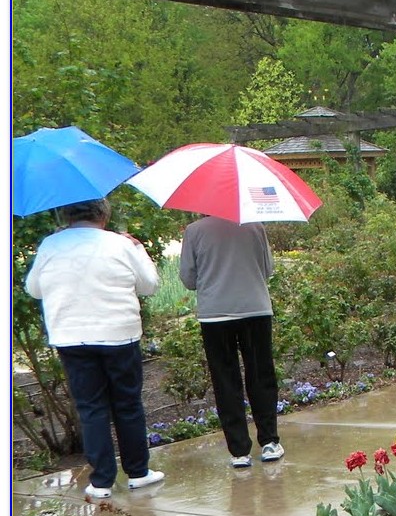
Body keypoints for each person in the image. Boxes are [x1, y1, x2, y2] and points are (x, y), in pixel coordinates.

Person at [24, 197, 165, 498]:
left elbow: (33, 288)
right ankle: (138, 472)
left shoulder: (51, 245)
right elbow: (149, 285)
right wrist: (138, 249)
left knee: (91, 408)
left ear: (66, 213)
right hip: (118, 334)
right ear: (103, 214)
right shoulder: (120, 244)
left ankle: (101, 481)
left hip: (72, 336)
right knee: (127, 404)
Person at [178, 215, 284, 467]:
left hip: (215, 315)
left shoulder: (194, 231)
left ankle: (239, 451)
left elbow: (188, 279)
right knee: (261, 375)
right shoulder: (255, 226)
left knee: (225, 380)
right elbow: (268, 269)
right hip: (255, 309)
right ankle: (269, 441)